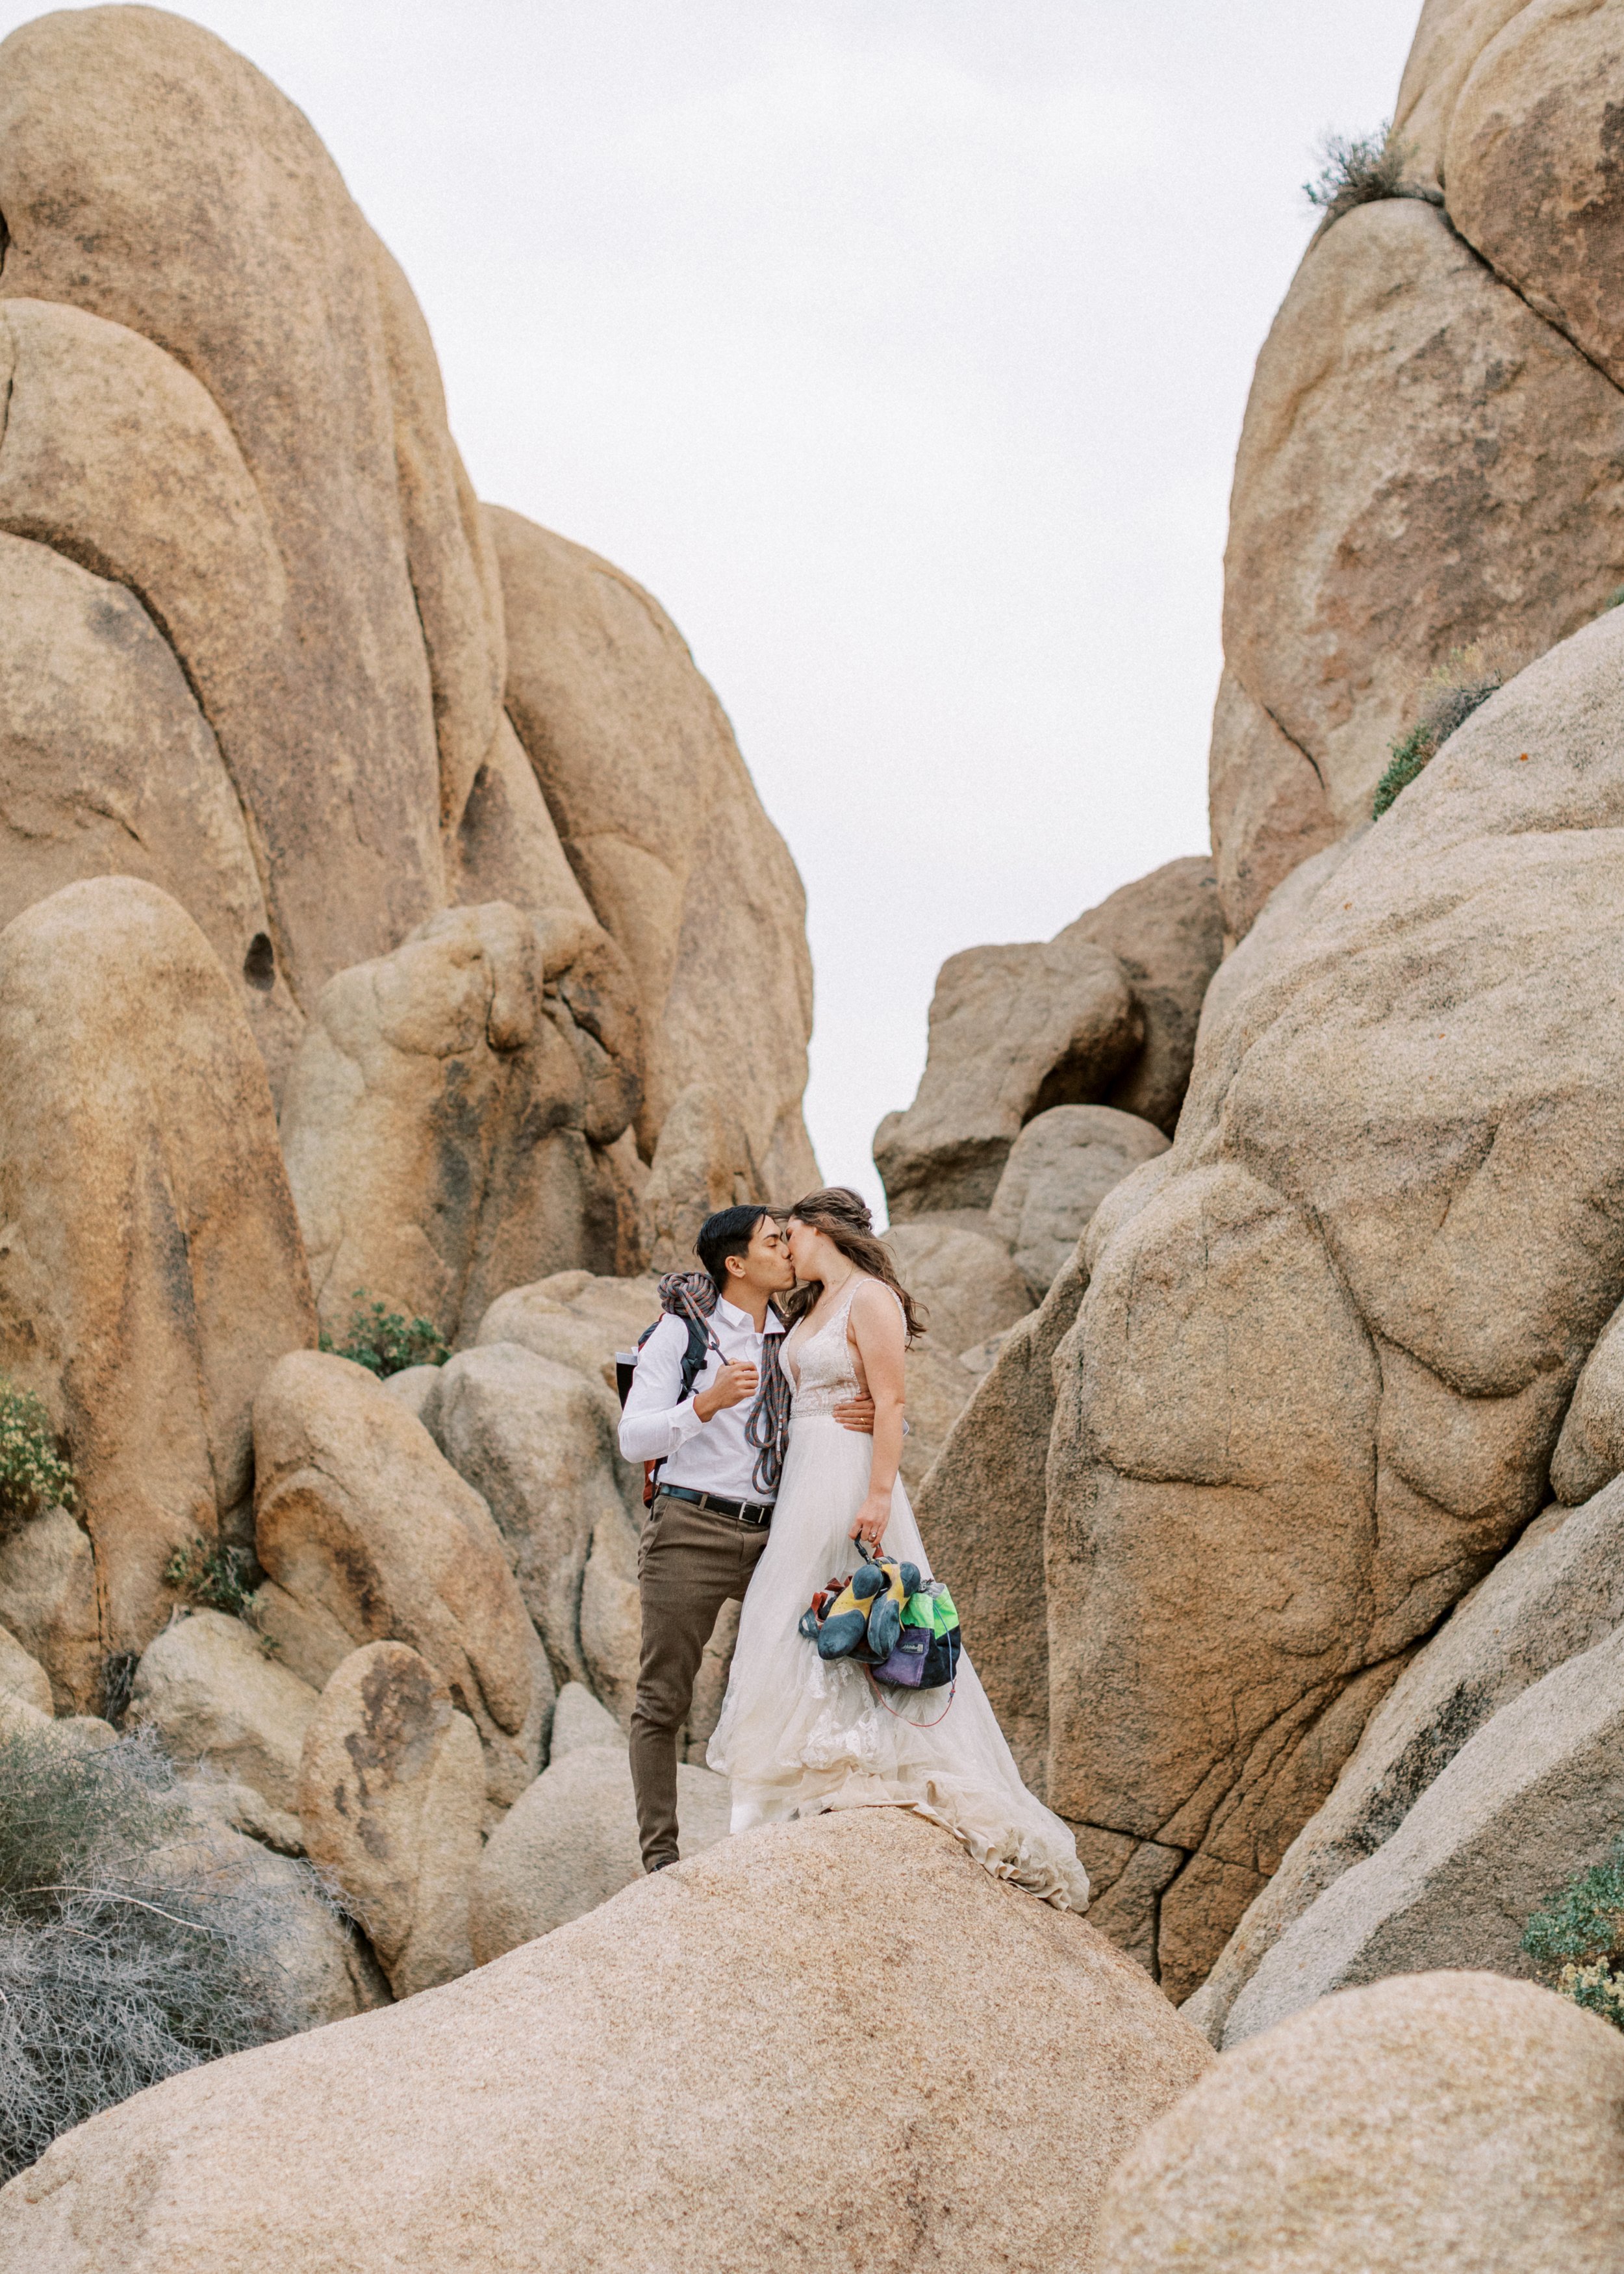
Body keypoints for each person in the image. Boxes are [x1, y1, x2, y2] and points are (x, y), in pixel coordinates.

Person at [705, 1186, 1090, 1909]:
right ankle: (799, 1781)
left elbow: (890, 1402)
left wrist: (877, 1494)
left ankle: (861, 1763)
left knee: (856, 1615)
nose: (783, 1248)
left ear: (817, 1229)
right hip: (803, 1479)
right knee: (787, 1616)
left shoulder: (868, 1297)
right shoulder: (812, 1304)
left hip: (848, 1475)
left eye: (787, 1234)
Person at [617, 1203, 874, 1874]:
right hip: (689, 1529)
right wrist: (703, 1403)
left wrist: (865, 1403)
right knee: (662, 1697)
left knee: (806, 1676)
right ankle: (660, 1861)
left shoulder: (793, 1332)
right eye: (772, 1241)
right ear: (737, 1263)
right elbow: (630, 1436)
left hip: (777, 1532)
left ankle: (790, 1833)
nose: (788, 1249)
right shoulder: (682, 1333)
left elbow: (832, 1386)